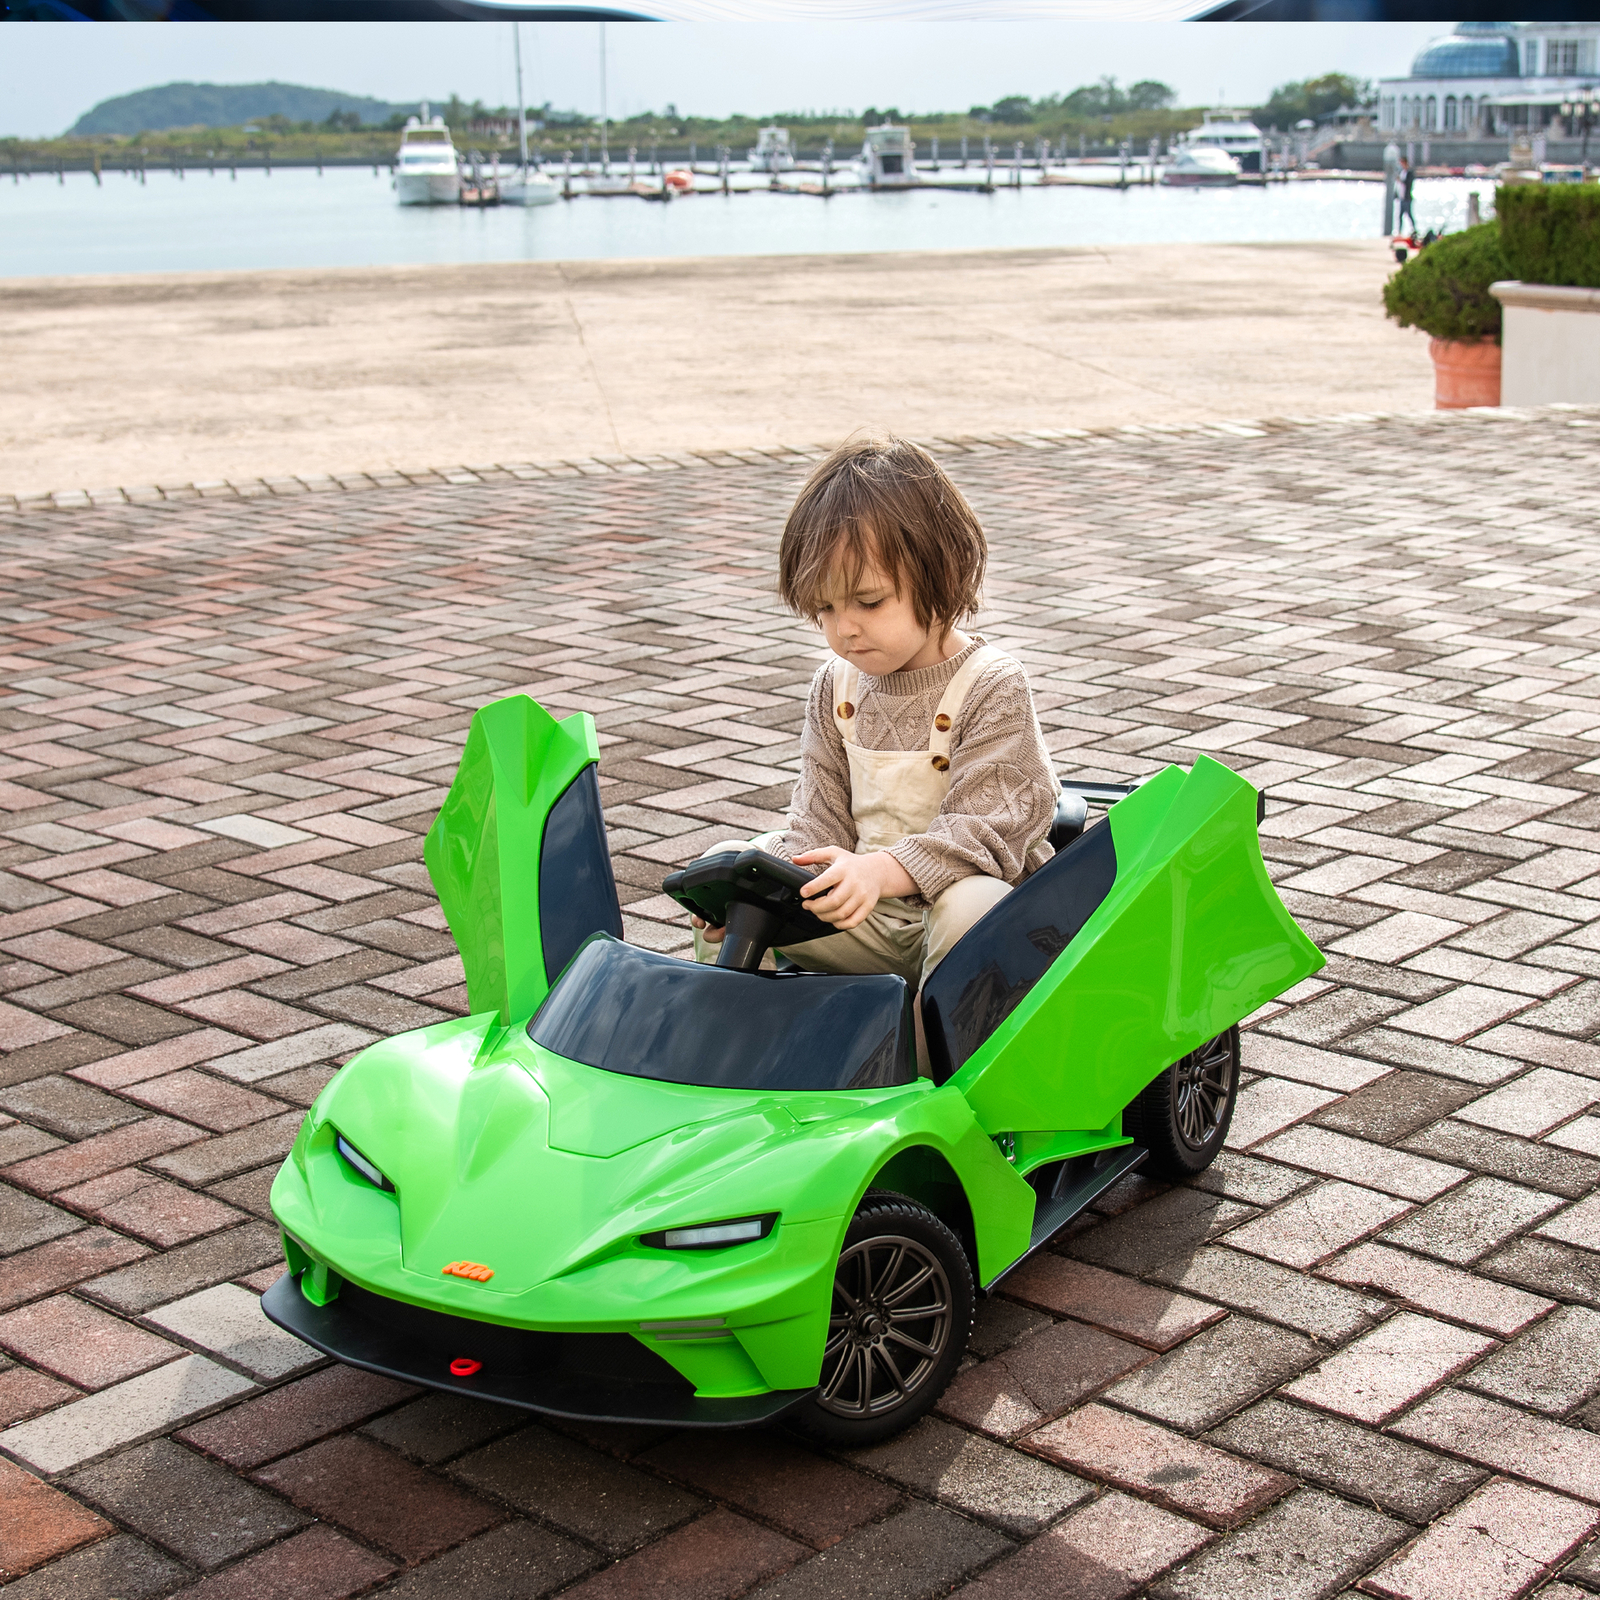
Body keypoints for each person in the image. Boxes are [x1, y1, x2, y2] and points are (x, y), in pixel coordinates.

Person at [689, 435, 1059, 1064]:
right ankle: (744, 1061)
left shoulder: (991, 685)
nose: (845, 628)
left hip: (970, 918)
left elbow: (983, 833)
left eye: (867, 602)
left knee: (970, 905)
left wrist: (877, 872)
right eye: (824, 609)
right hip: (871, 914)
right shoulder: (835, 687)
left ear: (941, 575)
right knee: (732, 867)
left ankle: (923, 1080)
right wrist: (752, 891)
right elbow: (816, 823)